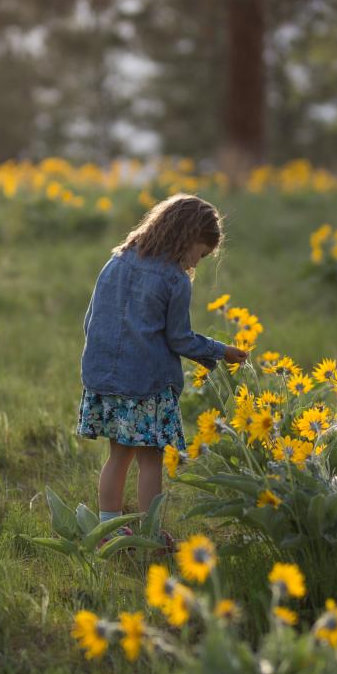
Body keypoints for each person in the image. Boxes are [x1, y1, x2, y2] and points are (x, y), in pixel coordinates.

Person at [77, 193, 248, 542]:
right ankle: (152, 537)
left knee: (118, 456)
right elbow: (180, 339)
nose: (196, 264)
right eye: (199, 255)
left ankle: (107, 530)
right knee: (151, 459)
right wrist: (221, 351)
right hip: (146, 385)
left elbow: (90, 320)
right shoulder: (174, 280)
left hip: (104, 379)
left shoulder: (117, 260)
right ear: (186, 240)